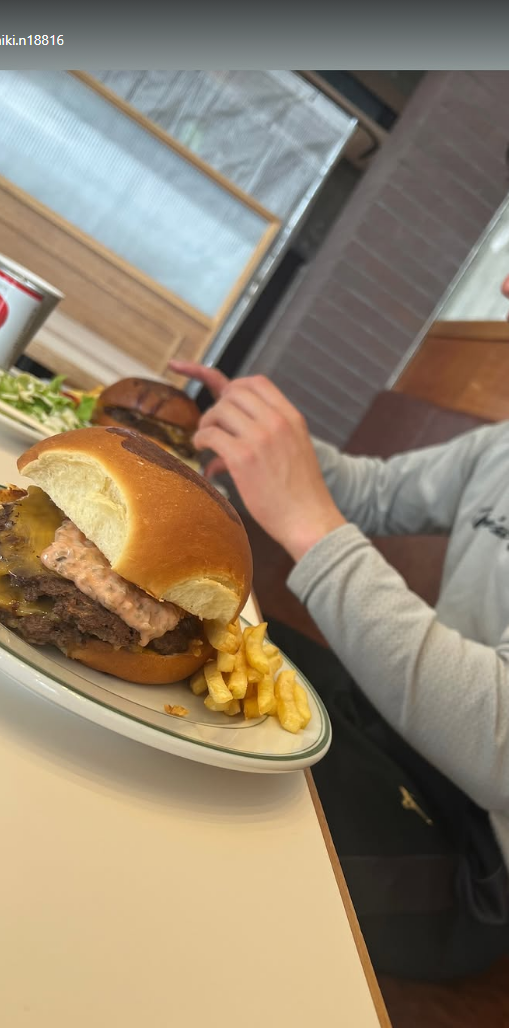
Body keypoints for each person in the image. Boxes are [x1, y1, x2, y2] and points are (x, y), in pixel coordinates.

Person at [168, 289, 509, 981]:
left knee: (204, 835)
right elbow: (374, 492)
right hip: (401, 734)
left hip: (481, 853)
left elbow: (498, 744)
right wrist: (267, 442)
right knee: (192, 649)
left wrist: (308, 525)